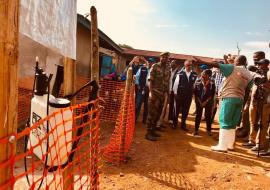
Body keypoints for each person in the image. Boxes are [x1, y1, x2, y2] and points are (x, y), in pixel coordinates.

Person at [193, 55, 253, 152]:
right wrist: (243, 103)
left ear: (237, 61)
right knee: (232, 124)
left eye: (235, 60)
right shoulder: (249, 74)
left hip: (229, 98)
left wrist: (202, 61)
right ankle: (230, 145)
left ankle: (222, 146)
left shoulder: (233, 68)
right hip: (240, 100)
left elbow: (217, 65)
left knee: (224, 121)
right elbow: (247, 91)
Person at [243, 58, 270, 153]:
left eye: (261, 64)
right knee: (252, 122)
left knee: (262, 124)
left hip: (264, 102)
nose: (259, 66)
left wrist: (266, 85)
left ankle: (260, 144)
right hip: (255, 101)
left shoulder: (268, 74)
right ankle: (252, 140)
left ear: (266, 65)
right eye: (258, 64)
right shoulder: (258, 73)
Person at [146, 52, 171, 141]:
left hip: (162, 95)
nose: (164, 59)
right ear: (160, 57)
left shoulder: (168, 69)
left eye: (166, 57)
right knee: (152, 114)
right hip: (155, 94)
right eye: (163, 57)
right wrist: (151, 93)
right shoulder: (155, 66)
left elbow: (167, 83)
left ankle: (153, 131)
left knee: (158, 114)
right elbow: (150, 81)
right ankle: (148, 133)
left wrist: (167, 94)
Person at [173, 59, 197, 131]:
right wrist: (175, 93)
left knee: (185, 111)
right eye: (188, 65)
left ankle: (183, 125)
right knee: (176, 110)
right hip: (179, 95)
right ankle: (174, 124)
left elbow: (195, 85)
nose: (189, 67)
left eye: (190, 65)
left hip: (188, 96)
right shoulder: (180, 73)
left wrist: (193, 94)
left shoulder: (194, 74)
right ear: (185, 65)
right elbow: (176, 84)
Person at [193, 69, 215, 136]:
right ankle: (196, 130)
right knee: (198, 116)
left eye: (204, 73)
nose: (202, 74)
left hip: (208, 102)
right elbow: (195, 93)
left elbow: (212, 94)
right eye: (202, 73)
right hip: (199, 101)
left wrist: (206, 102)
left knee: (208, 116)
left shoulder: (212, 83)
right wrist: (200, 102)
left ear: (208, 75)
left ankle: (208, 130)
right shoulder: (197, 81)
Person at [135, 57, 156, 124]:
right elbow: (137, 77)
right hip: (141, 88)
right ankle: (134, 119)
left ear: (153, 63)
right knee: (138, 104)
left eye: (152, 62)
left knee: (147, 106)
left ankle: (144, 120)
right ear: (148, 62)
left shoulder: (154, 71)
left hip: (149, 90)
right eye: (149, 61)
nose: (150, 63)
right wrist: (138, 85)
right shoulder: (142, 68)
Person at [168, 60, 182, 124]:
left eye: (173, 62)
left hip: (174, 91)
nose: (171, 63)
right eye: (171, 62)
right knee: (164, 105)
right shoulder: (168, 70)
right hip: (167, 90)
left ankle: (170, 119)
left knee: (172, 105)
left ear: (176, 64)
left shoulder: (178, 72)